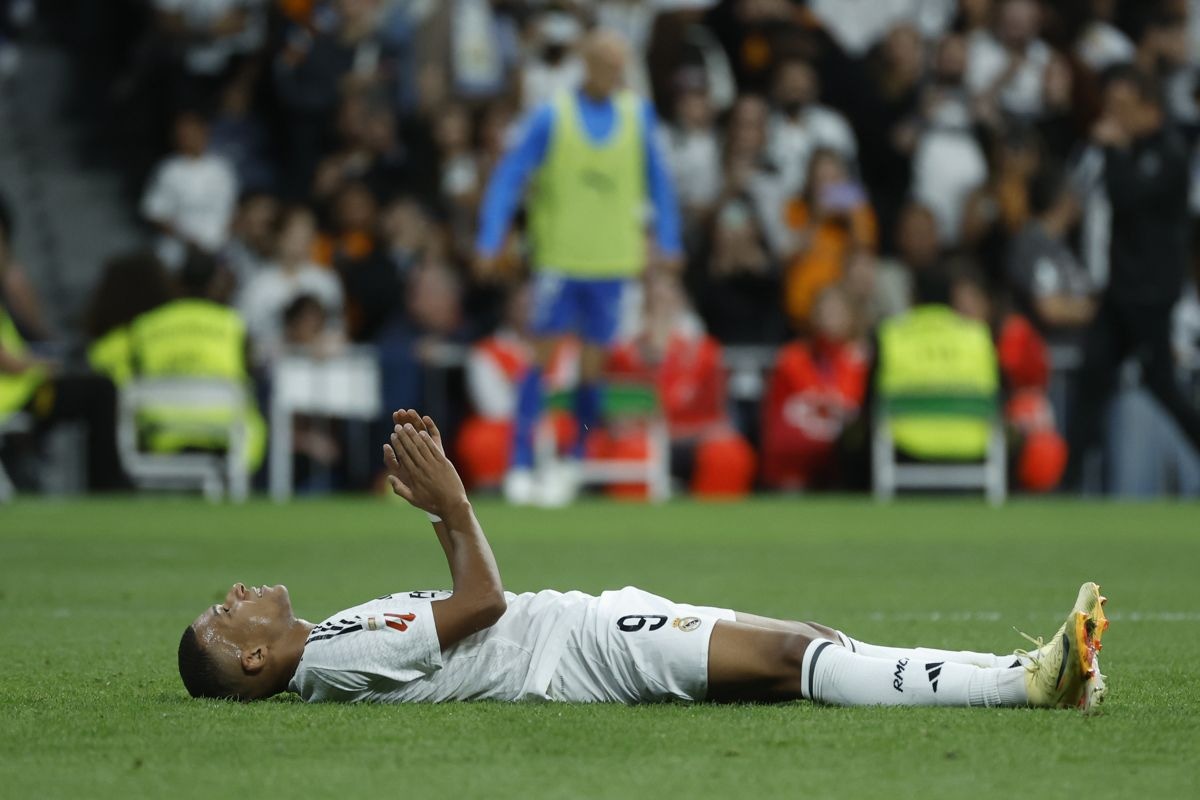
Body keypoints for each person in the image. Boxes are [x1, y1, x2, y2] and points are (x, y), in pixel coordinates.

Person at [177, 409, 1109, 711]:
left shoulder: (333, 641)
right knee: (795, 657)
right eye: (226, 619)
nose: (235, 596)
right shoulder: (332, 657)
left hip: (583, 633)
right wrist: (455, 503)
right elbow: (481, 605)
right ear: (254, 660)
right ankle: (1025, 683)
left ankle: (1027, 673)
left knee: (810, 644)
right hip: (584, 648)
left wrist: (446, 511)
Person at [474, 29, 683, 506]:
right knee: (542, 359)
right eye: (605, 63)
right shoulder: (554, 115)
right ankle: (521, 462)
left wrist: (669, 239)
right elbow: (510, 173)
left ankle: (572, 459)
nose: (613, 72)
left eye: (620, 64)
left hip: (612, 261)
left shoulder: (638, 116)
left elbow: (659, 181)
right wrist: (491, 235)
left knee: (593, 366)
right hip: (560, 258)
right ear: (586, 64)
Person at [1065, 67, 1200, 487]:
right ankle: (1068, 483)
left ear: (1149, 107)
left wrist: (1115, 150)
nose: (1113, 117)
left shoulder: (1170, 152)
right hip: (1122, 290)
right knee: (1092, 381)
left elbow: (1127, 197)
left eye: (1123, 107)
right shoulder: (1134, 147)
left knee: (1161, 385)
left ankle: (1069, 480)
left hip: (1150, 293)